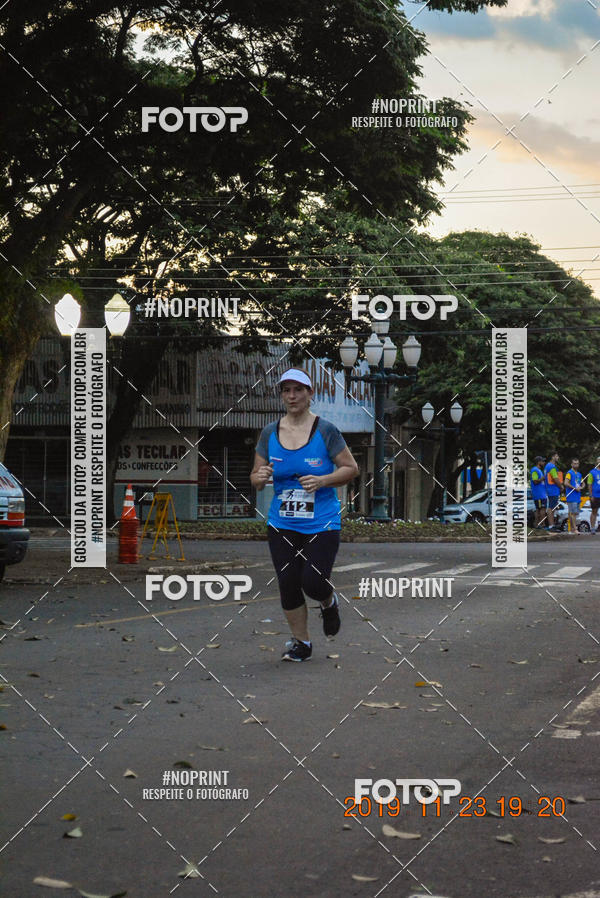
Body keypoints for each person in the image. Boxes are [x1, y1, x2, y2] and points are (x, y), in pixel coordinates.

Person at [250, 368, 359, 662]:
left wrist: (322, 480)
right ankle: (302, 643)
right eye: (287, 390)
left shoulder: (326, 431)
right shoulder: (269, 433)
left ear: (310, 394)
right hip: (282, 522)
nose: (292, 396)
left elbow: (351, 468)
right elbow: (256, 478)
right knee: (287, 582)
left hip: (322, 522)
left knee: (311, 580)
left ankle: (328, 602)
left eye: (299, 390)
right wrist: (260, 476)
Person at [544, 450, 561, 531]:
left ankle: (552, 525)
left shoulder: (547, 466)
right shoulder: (552, 467)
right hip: (553, 490)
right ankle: (551, 526)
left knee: (552, 507)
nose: (558, 457)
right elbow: (555, 478)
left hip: (549, 489)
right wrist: (561, 486)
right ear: (553, 457)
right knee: (551, 508)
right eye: (557, 456)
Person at [564, 458, 583, 534]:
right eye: (574, 463)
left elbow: (583, 483)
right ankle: (574, 529)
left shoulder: (579, 474)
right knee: (573, 513)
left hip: (577, 496)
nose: (576, 465)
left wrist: (581, 487)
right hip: (571, 496)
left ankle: (572, 529)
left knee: (574, 513)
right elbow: (566, 483)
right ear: (571, 464)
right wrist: (575, 488)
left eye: (577, 463)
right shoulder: (569, 473)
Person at [530, 455, 547, 529]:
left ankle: (538, 524)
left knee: (539, 509)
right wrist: (542, 478)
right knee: (541, 509)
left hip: (542, 493)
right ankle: (540, 524)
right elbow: (535, 481)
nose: (544, 462)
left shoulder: (539, 470)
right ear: (538, 462)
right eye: (542, 461)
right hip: (538, 494)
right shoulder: (534, 470)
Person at [586, 457, 600, 533]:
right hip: (595, 495)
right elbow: (589, 484)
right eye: (599, 460)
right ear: (596, 462)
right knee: (594, 511)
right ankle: (592, 528)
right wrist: (591, 495)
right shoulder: (592, 472)